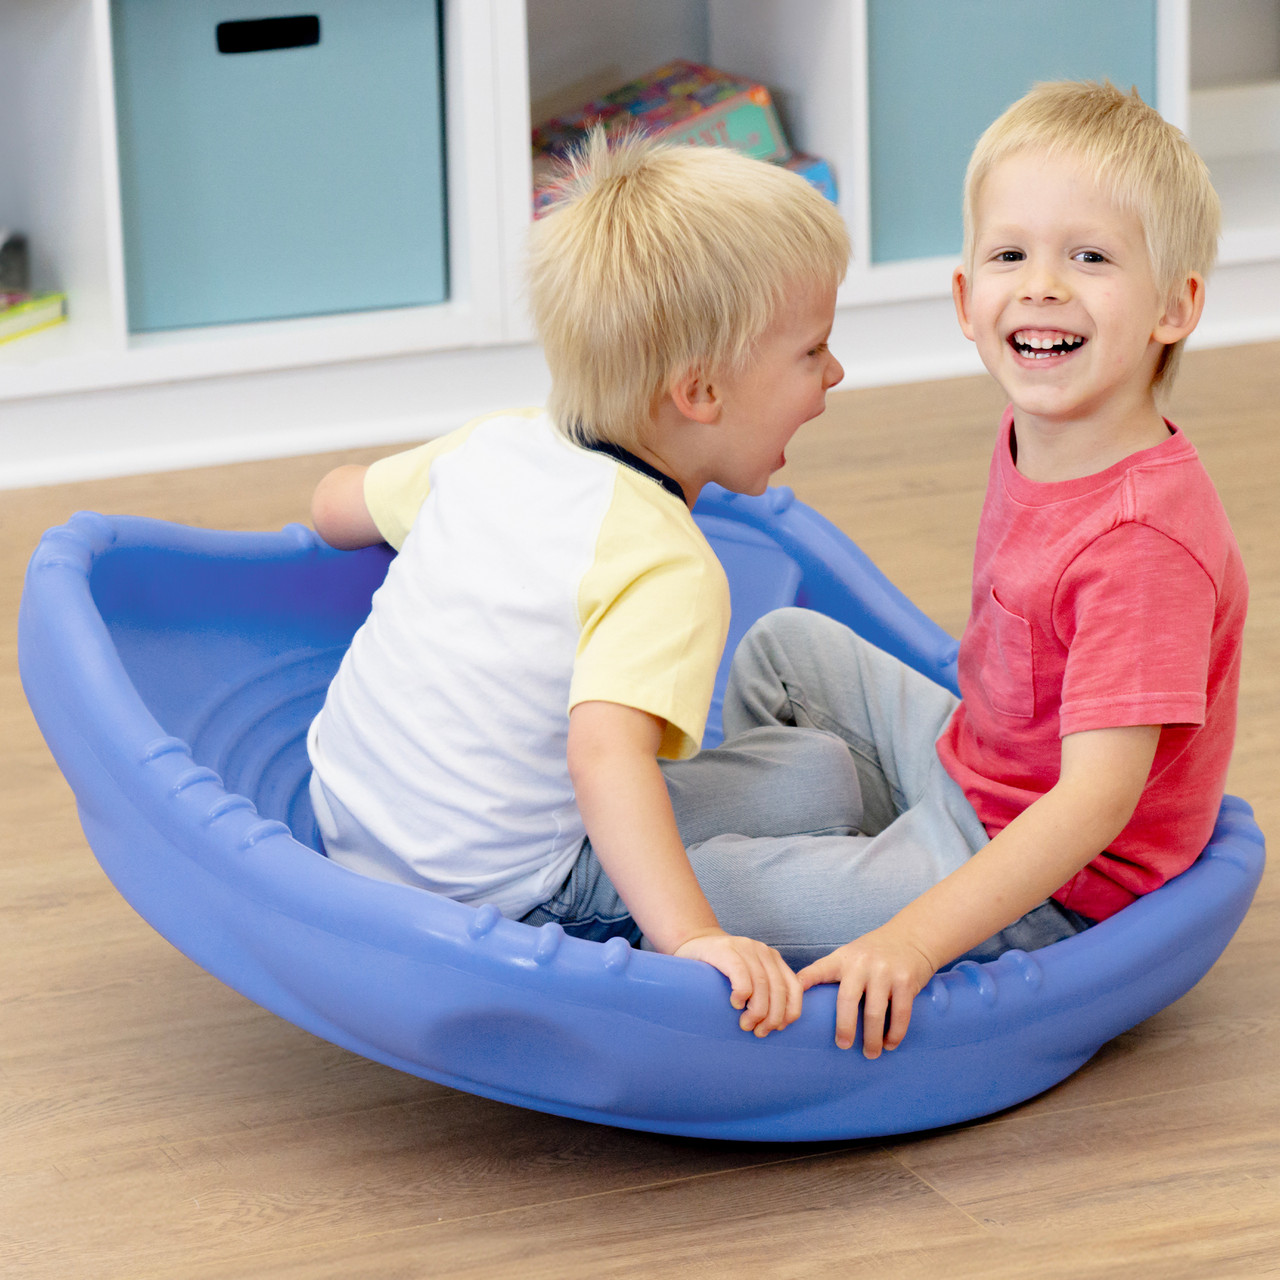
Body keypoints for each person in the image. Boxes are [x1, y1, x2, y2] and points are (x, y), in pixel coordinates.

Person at [692, 80, 1247, 1057]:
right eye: (1009, 255)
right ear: (963, 298)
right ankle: (833, 849)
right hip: (969, 766)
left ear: (1174, 305)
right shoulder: (1040, 429)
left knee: (703, 885)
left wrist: (911, 937)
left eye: (1089, 256)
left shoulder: (1140, 542)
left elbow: (1093, 804)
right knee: (782, 648)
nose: (1042, 285)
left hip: (1051, 879)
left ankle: (823, 880)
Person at [305, 130, 852, 1038]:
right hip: (505, 894)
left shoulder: (495, 443)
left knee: (824, 776)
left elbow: (334, 509)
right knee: (836, 839)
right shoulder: (667, 565)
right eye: (813, 351)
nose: (835, 374)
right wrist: (693, 940)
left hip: (353, 822)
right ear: (700, 394)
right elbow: (604, 761)